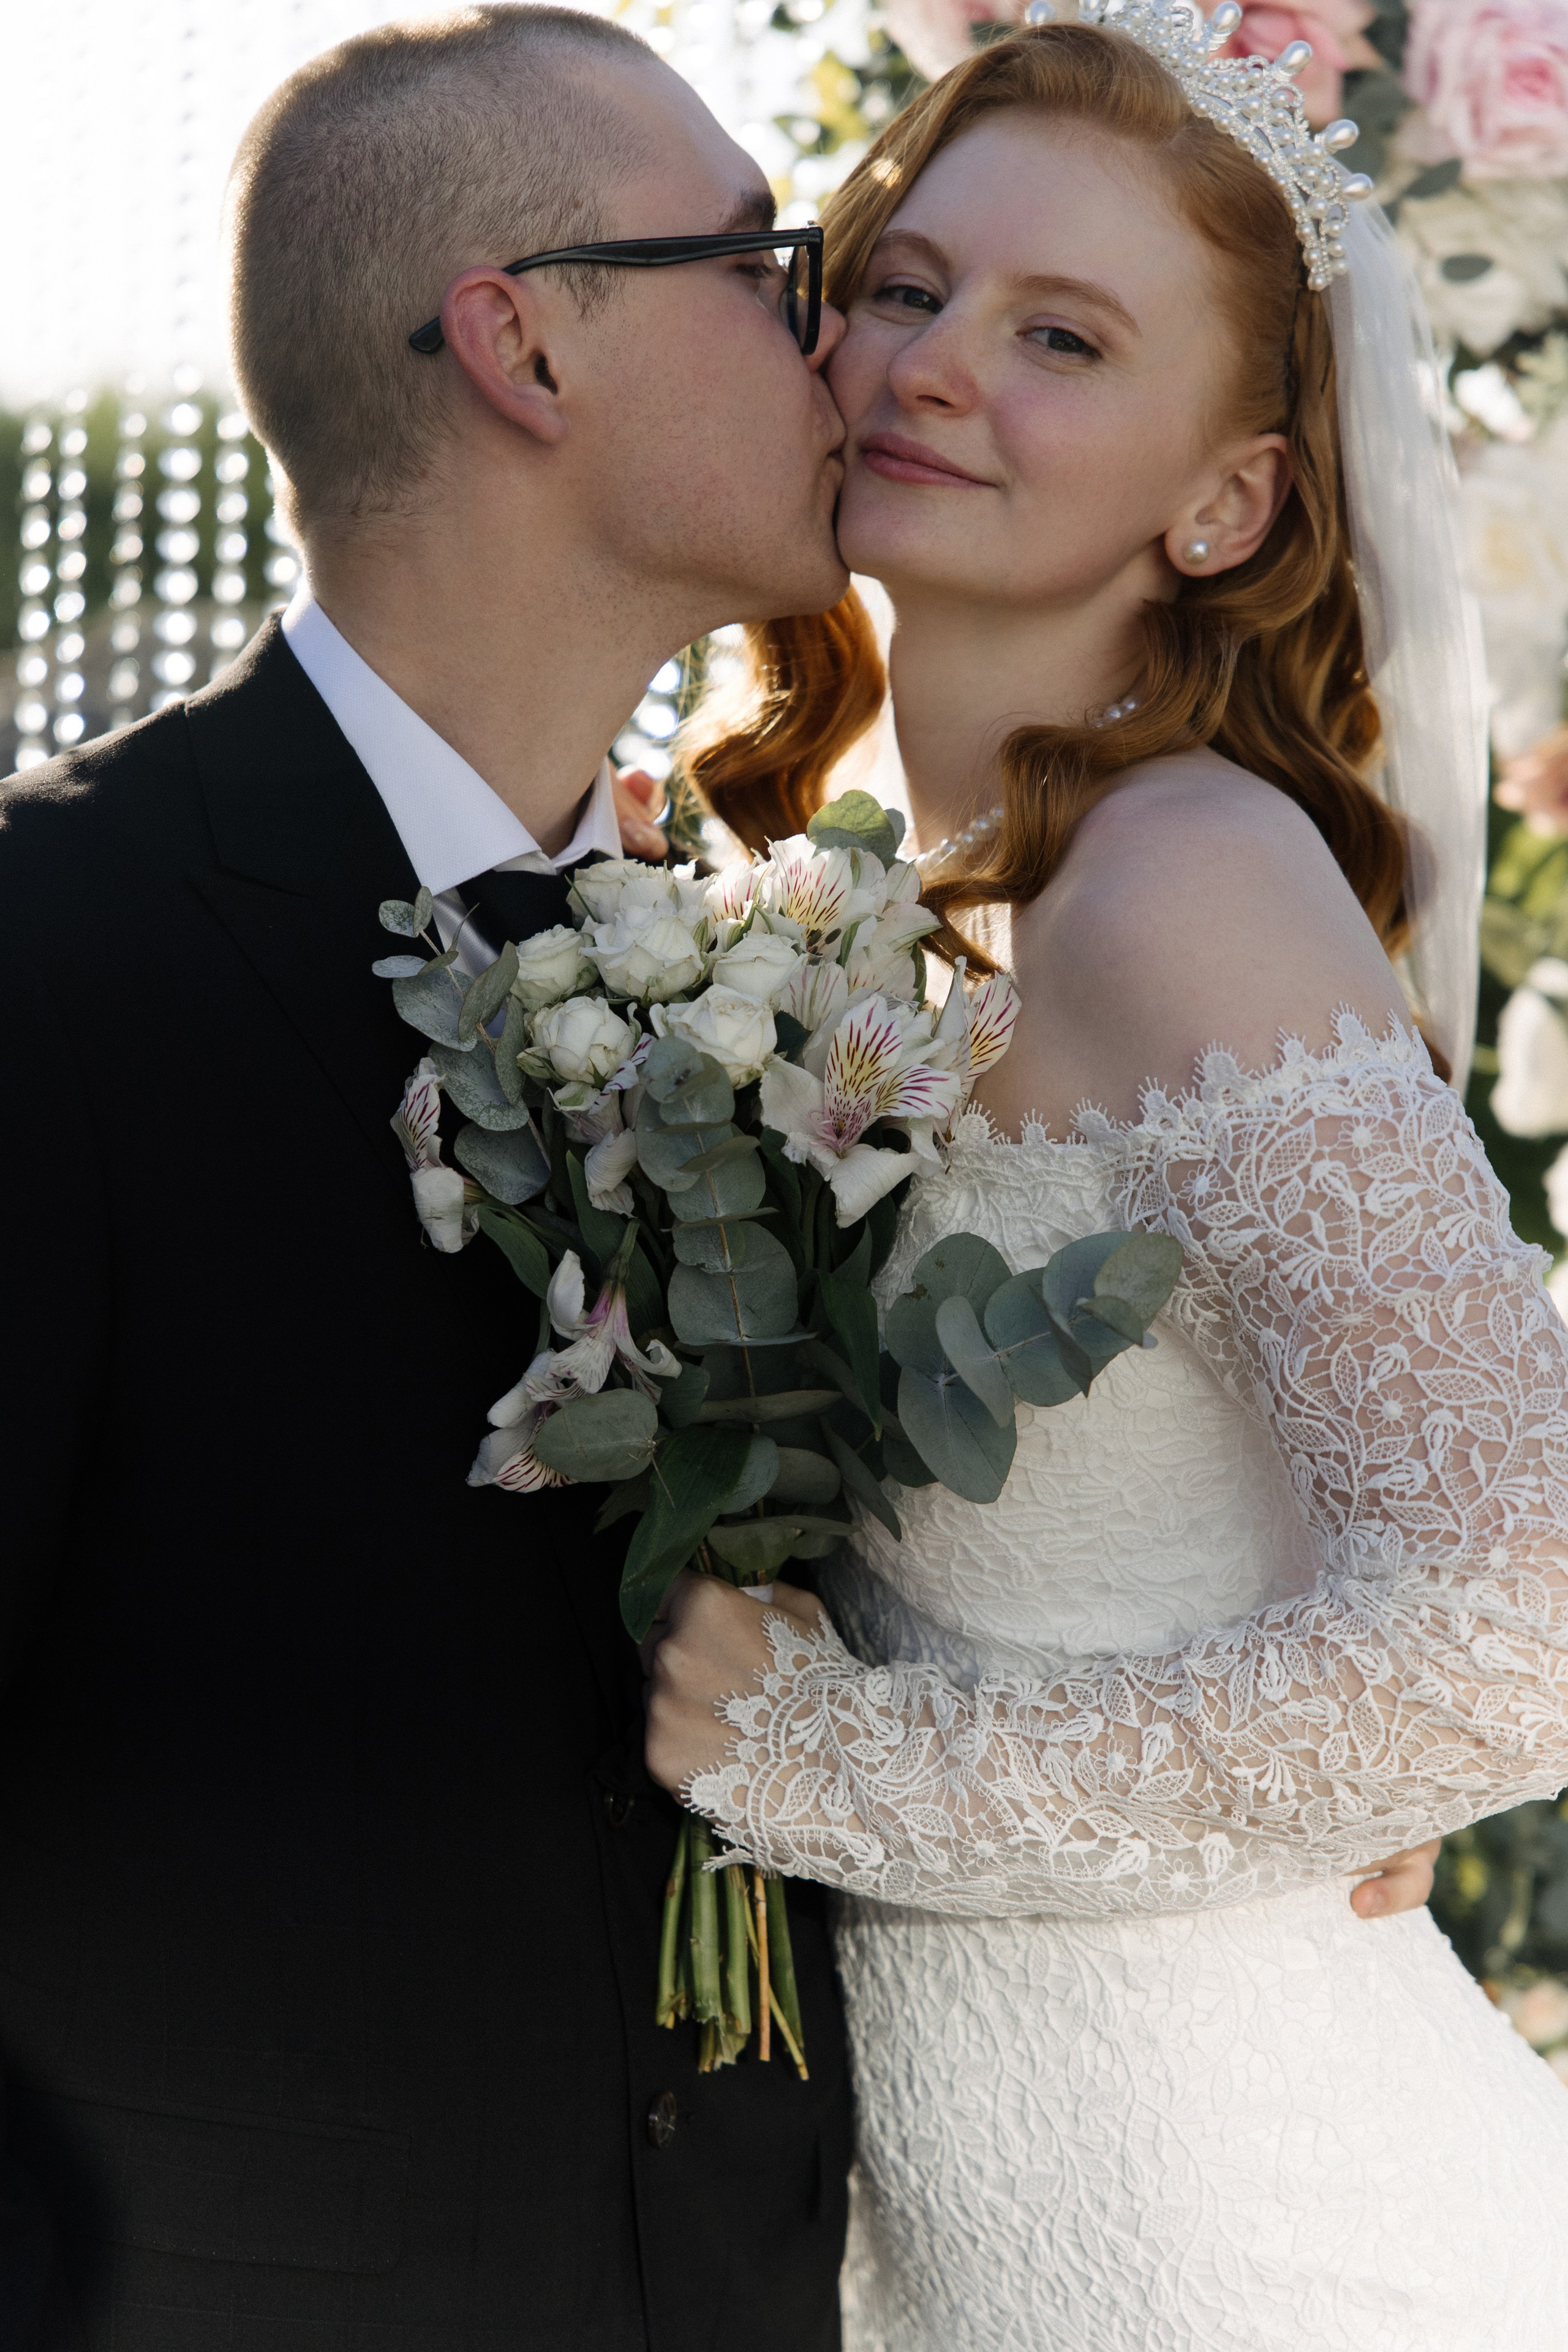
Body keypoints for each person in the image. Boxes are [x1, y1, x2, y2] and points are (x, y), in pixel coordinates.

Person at [644, 17, 1568, 2348]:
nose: (936, 368)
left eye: (1062, 338)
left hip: (1238, 2206)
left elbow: (1518, 1629)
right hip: (948, 2190)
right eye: (909, 286)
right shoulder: (839, 906)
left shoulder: (1184, 880)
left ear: (1230, 500)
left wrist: (834, 1771)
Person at [0, 9, 868, 2345]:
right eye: (769, 263)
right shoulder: (46, 952)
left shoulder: (787, 975)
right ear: (523, 340)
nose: (842, 345)